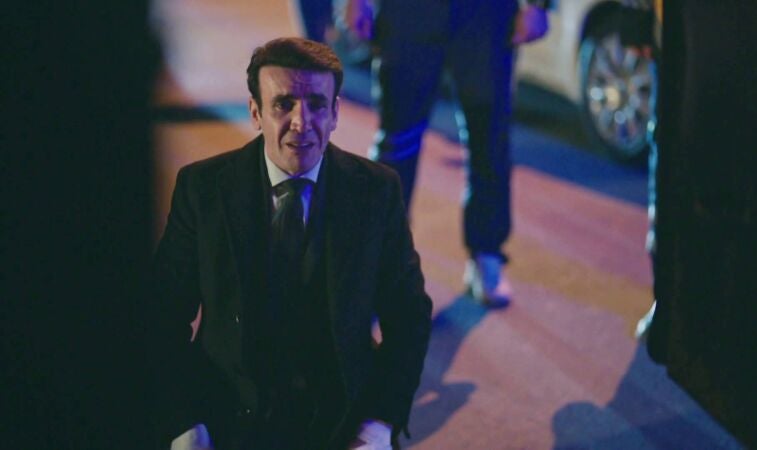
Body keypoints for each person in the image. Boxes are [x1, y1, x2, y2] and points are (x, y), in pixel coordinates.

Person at [152, 37, 433, 450]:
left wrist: (377, 425)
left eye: (317, 105)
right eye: (283, 104)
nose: (302, 123)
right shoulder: (203, 188)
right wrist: (184, 423)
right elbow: (161, 315)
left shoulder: (376, 191)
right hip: (226, 418)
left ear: (335, 113)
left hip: (340, 423)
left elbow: (409, 315)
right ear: (255, 113)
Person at [340, 0, 550, 307]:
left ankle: (486, 253)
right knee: (397, 142)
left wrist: (539, 6)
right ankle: (382, 263)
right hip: (408, 12)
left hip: (485, 14)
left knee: (489, 137)